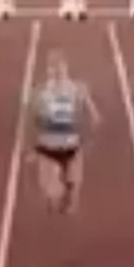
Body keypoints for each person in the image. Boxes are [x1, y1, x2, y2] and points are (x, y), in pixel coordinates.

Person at [30, 50, 99, 216]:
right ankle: (61, 196)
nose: (56, 71)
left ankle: (64, 197)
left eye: (58, 67)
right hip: (58, 141)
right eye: (54, 67)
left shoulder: (71, 88)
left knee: (68, 179)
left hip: (62, 141)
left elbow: (93, 113)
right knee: (60, 180)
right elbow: (36, 117)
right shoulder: (46, 91)